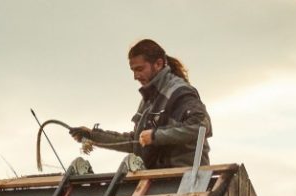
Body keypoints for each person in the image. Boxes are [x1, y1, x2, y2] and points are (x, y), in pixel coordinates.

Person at [70, 39, 212, 169]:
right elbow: (137, 142)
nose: (135, 76)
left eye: (139, 69)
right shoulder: (149, 100)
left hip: (184, 179)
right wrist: (93, 136)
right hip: (157, 180)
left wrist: (156, 136)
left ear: (158, 64)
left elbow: (202, 126)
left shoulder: (179, 93)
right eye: (133, 70)